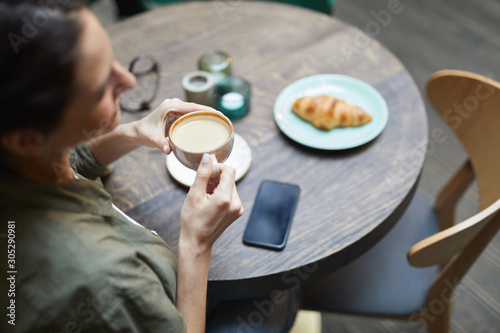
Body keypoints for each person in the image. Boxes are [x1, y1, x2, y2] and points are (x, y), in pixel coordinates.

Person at [0, 1, 300, 332]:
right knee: (281, 286)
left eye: (112, 60)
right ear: (26, 139)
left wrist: (132, 133)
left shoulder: (24, 162)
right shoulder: (108, 281)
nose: (128, 80)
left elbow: (71, 159)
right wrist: (196, 245)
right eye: (101, 84)